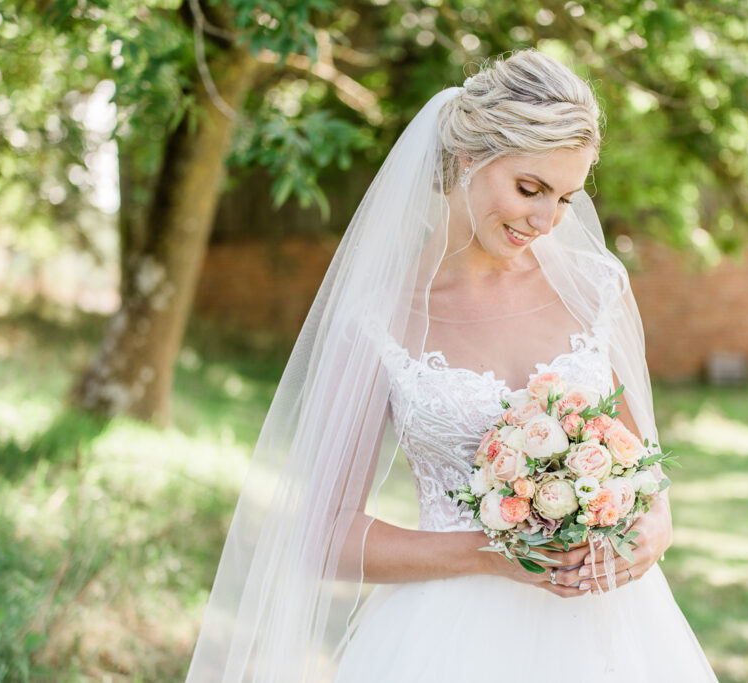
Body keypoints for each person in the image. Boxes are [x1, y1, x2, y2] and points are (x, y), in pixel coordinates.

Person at [187, 50, 717, 682]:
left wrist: (656, 524)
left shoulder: (596, 288)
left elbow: (643, 472)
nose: (545, 221)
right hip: (446, 640)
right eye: (530, 188)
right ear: (469, 157)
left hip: (611, 632)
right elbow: (325, 537)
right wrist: (494, 555)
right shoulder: (382, 318)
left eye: (566, 198)